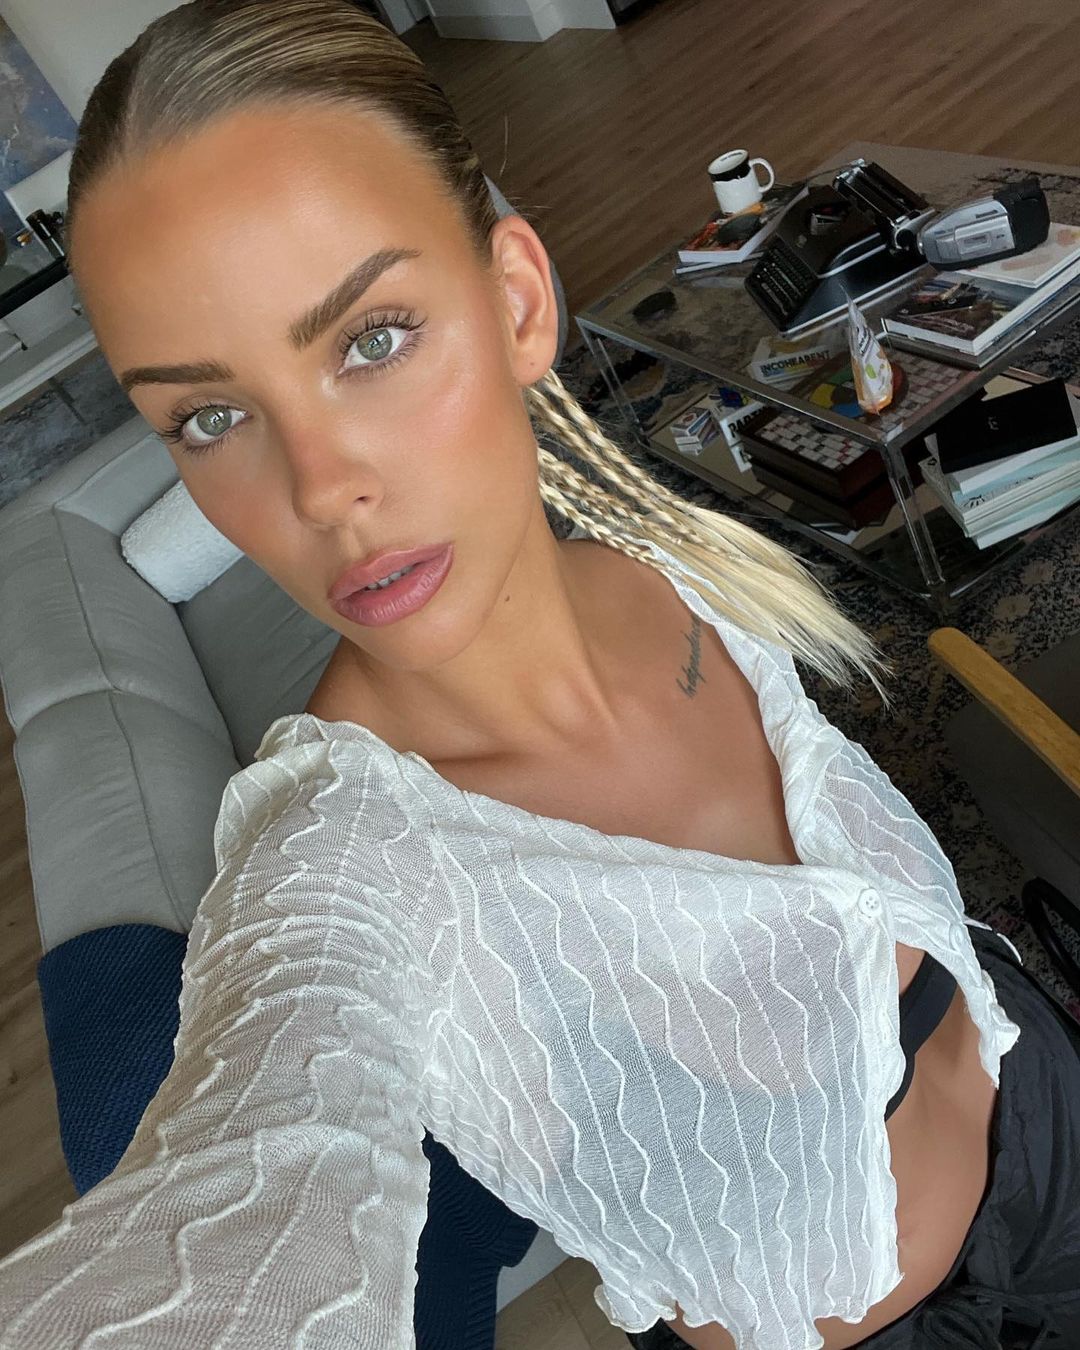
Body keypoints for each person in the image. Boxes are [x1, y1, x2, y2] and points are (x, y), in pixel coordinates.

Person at [1, 2, 1079, 1346]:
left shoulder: (671, 558)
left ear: (514, 302)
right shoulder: (345, 852)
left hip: (1040, 1101)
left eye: (371, 339)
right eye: (210, 417)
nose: (323, 488)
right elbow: (261, 1141)